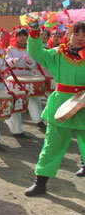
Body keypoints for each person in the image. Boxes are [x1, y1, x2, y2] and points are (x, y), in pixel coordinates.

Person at [23, 20, 85, 196]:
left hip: (84, 105)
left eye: (84, 35)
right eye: (76, 33)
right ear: (68, 35)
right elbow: (35, 52)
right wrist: (34, 32)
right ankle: (40, 183)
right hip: (60, 106)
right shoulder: (57, 54)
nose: (80, 38)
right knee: (51, 147)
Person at [5, 27, 45, 135]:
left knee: (34, 99)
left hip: (29, 75)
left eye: (24, 36)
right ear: (16, 37)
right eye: (19, 36)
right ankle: (16, 130)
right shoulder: (11, 49)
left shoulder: (30, 49)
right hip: (15, 77)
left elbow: (36, 64)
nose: (22, 38)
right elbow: (6, 62)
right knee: (15, 102)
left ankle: (38, 120)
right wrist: (13, 61)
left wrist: (30, 62)